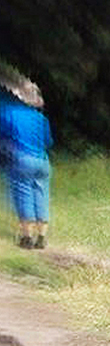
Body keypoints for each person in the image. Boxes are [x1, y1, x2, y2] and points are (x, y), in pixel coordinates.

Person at [0, 81, 52, 249]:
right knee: (41, 195)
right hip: (43, 161)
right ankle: (42, 236)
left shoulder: (10, 113)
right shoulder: (41, 118)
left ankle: (27, 238)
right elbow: (48, 142)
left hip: (22, 159)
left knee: (23, 195)